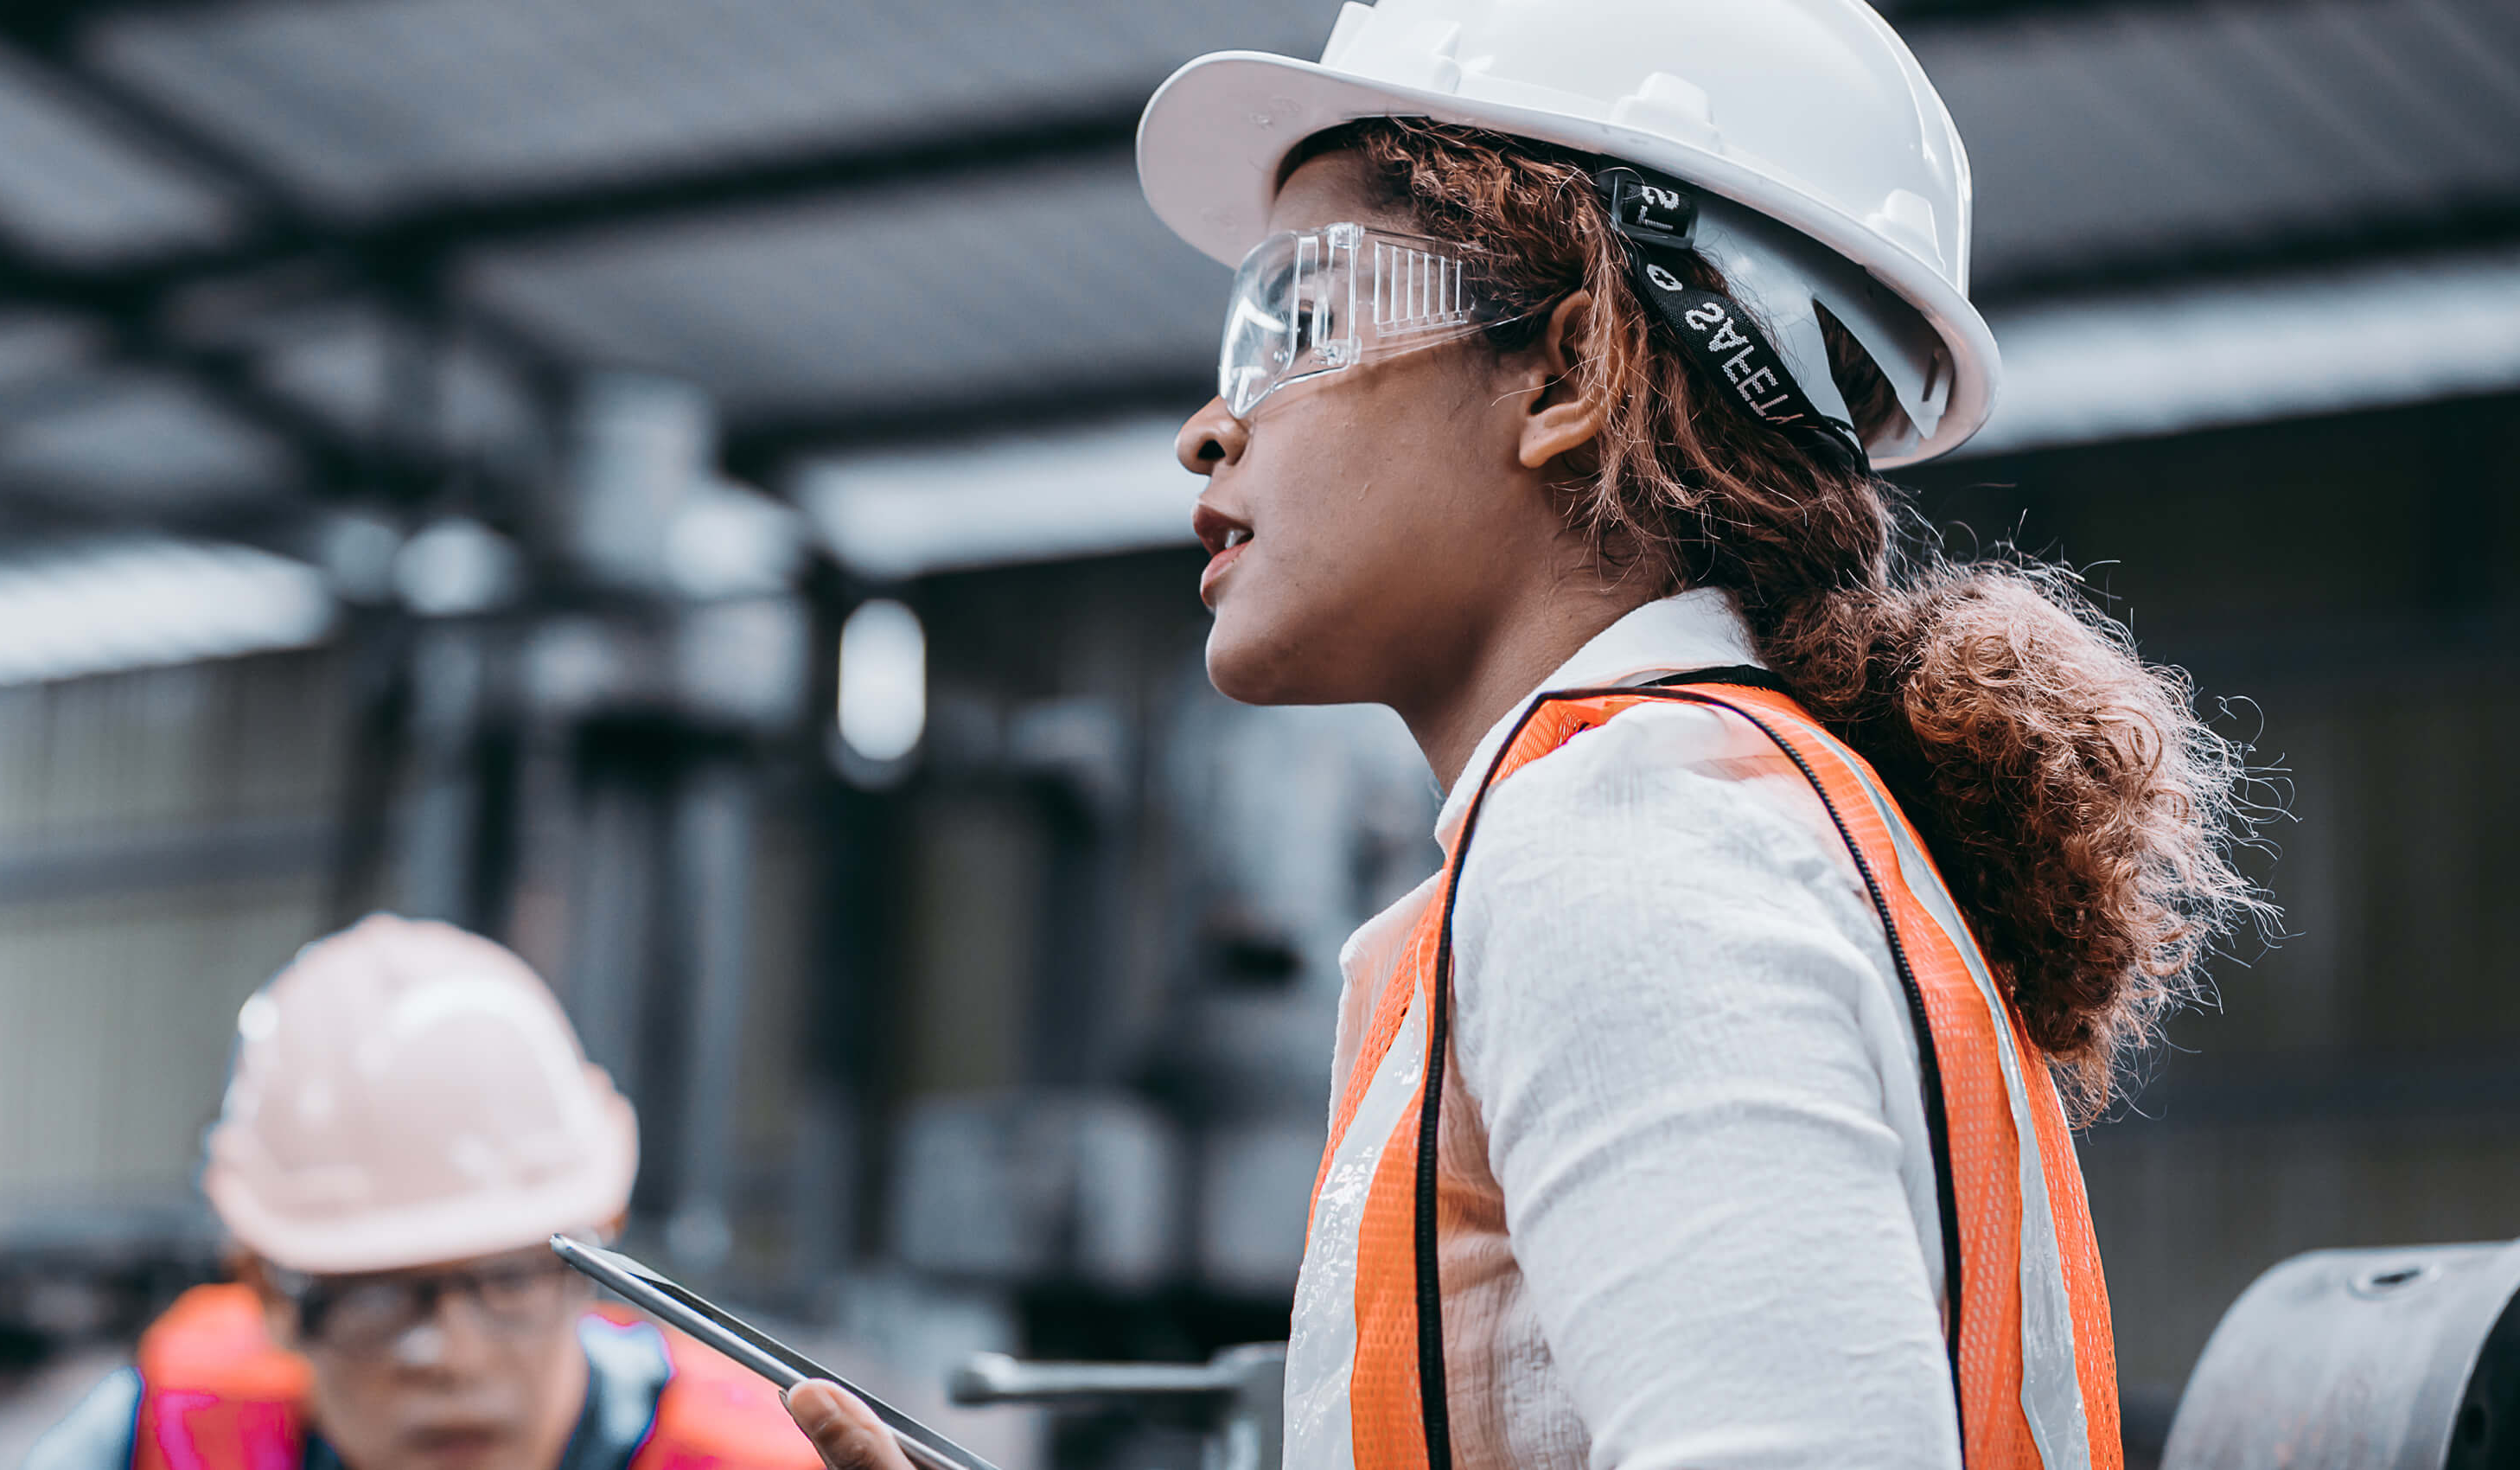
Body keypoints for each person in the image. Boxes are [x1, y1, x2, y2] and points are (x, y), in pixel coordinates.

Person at [786, 1, 2267, 1468]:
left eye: (1301, 316)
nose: (1210, 427)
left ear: (1565, 376)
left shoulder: (1632, 843)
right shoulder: (1712, 817)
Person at [28, 915, 821, 1470]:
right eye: (377, 1297)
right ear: (266, 1288)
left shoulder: (770, 1461)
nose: (452, 1355)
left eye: (509, 1279)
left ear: (598, 1243)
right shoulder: (144, 1442)